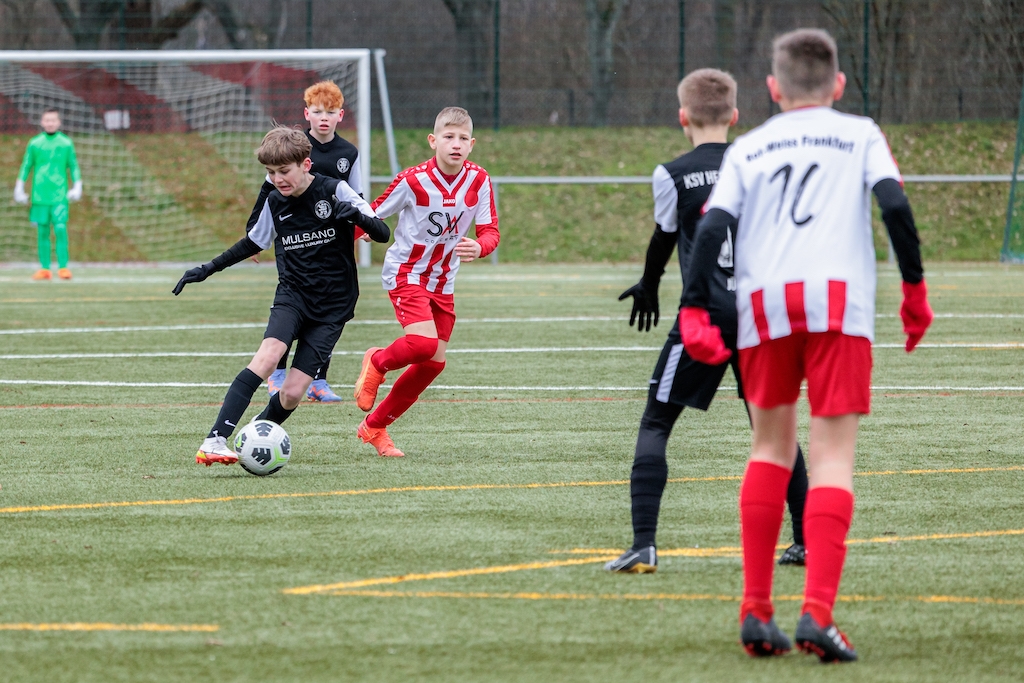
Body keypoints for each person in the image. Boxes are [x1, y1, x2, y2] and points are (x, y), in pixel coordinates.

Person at [681, 29, 933, 662]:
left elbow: (712, 227)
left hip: (764, 304)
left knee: (769, 448)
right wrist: (914, 290)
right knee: (832, 459)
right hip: (839, 305)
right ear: (838, 84)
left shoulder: (750, 145)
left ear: (773, 88)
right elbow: (895, 207)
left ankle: (756, 612)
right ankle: (817, 614)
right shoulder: (860, 133)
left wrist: (692, 307)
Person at [606, 68, 809, 576]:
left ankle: (644, 545)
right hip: (760, 314)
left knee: (656, 422)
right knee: (774, 429)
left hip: (707, 313)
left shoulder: (672, 174)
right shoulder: (762, 164)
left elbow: (665, 235)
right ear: (735, 115)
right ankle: (805, 540)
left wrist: (649, 282)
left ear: (683, 117)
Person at [173, 126, 390, 466]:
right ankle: (214, 440)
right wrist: (207, 269)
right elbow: (253, 242)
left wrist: (358, 216)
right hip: (293, 294)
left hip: (334, 305)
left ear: (306, 164)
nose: (277, 179)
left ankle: (253, 439)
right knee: (268, 356)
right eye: (271, 172)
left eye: (284, 171)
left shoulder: (335, 190)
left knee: (291, 394)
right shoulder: (274, 202)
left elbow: (383, 232)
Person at [352, 106, 499, 458]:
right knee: (421, 344)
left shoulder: (479, 180)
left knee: (433, 362)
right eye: (449, 137)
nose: (456, 144)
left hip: (443, 281)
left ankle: (375, 426)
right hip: (407, 272)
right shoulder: (413, 180)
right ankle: (377, 361)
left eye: (463, 138)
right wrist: (352, 238)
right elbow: (370, 215)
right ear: (433, 141)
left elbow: (490, 231)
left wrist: (480, 246)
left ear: (472, 144)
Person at [244, 80, 363, 403]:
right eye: (318, 112)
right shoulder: (291, 147)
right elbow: (267, 192)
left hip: (331, 243)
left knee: (329, 310)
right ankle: (278, 374)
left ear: (341, 116)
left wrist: (362, 229)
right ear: (306, 114)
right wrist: (254, 234)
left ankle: (318, 379)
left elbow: (357, 196)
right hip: (293, 240)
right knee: (293, 305)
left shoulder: (349, 153)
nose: (324, 118)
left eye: (331, 112)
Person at [14, 108, 82, 281]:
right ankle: (45, 268)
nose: (50, 123)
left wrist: (77, 185)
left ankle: (63, 267)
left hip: (59, 195)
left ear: (58, 122)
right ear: (42, 122)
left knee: (60, 228)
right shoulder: (35, 143)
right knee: (43, 231)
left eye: (53, 120)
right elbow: (26, 165)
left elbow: (73, 165)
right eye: (47, 120)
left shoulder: (66, 143)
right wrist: (19, 186)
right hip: (39, 195)